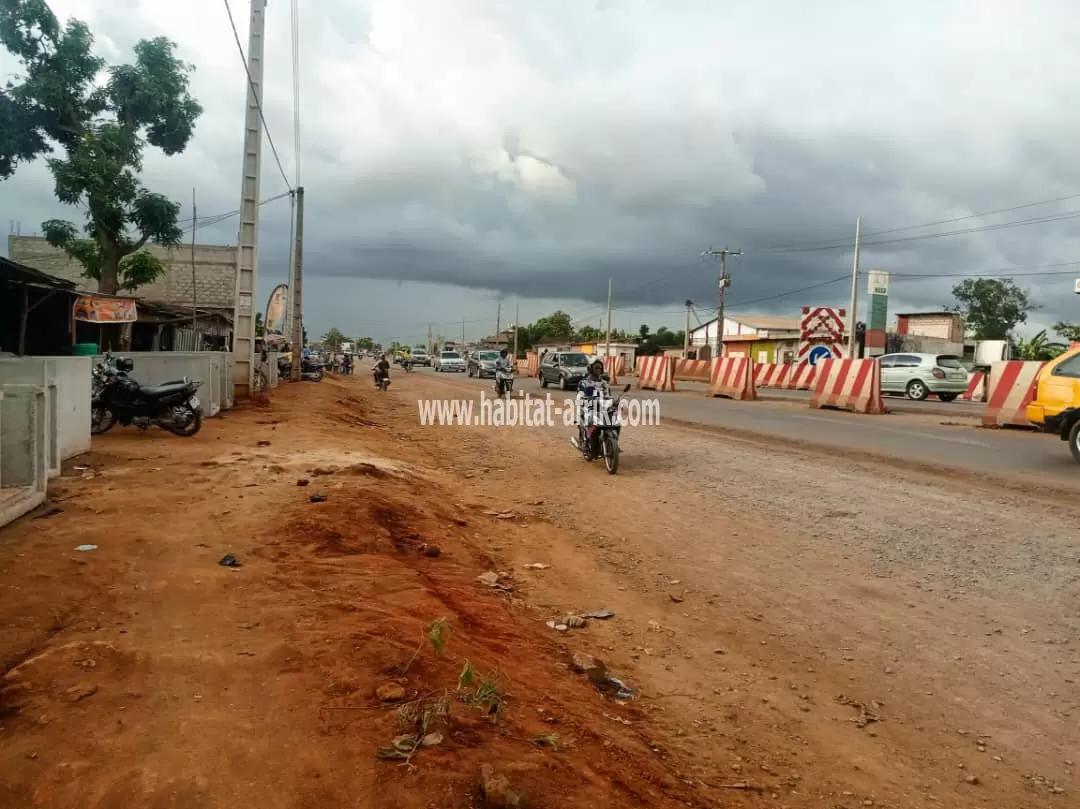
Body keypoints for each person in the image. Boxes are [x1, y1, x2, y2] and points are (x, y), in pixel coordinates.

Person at [573, 359, 609, 454]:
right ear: (591, 369)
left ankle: (611, 442)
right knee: (588, 421)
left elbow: (608, 395)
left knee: (613, 420)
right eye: (596, 368)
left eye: (600, 368)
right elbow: (579, 396)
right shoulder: (584, 382)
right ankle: (585, 443)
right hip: (587, 407)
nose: (599, 370)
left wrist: (614, 401)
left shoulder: (604, 383)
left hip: (601, 408)